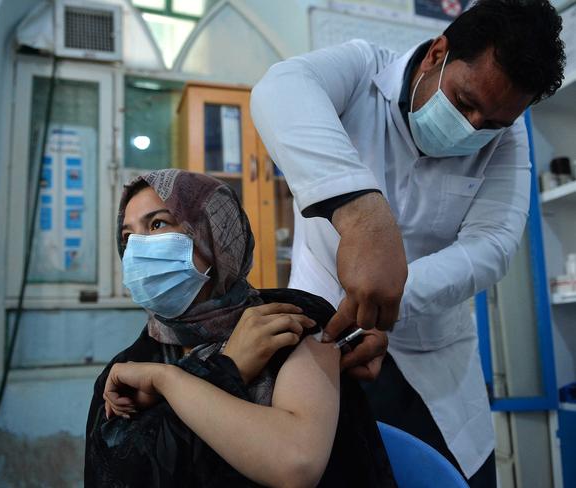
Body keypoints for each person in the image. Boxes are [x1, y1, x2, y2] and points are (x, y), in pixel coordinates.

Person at [250, 1, 565, 486]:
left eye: (492, 123)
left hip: (433, 362)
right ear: (436, 54)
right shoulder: (360, 69)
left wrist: (387, 296)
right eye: (463, 102)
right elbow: (280, 89)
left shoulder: (507, 138)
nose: (473, 127)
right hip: (324, 339)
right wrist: (360, 211)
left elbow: (492, 245)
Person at [84, 169, 395, 487]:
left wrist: (168, 381)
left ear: (215, 232)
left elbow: (296, 461)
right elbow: (117, 473)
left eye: (158, 224)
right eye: (128, 236)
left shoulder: (287, 319)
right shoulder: (130, 368)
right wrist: (221, 372)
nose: (138, 248)